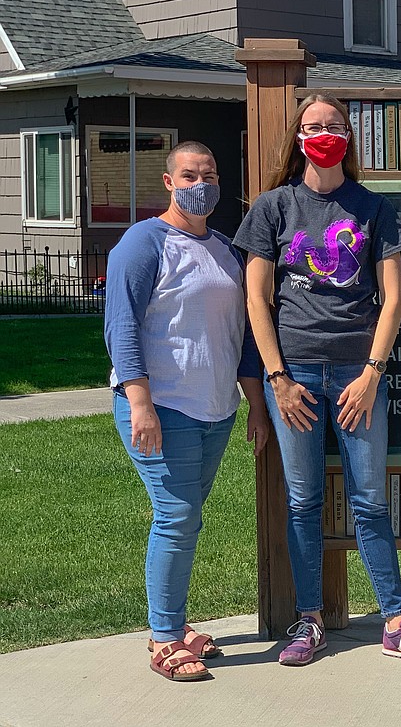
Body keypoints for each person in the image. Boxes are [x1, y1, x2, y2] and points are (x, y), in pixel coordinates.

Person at [233, 94, 401, 667]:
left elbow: (394, 298)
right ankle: (308, 621)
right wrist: (276, 379)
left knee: (370, 500)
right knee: (302, 500)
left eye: (332, 125)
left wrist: (373, 375)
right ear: (298, 138)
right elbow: (256, 297)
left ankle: (396, 621)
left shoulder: (375, 209)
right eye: (312, 126)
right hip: (294, 374)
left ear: (348, 136)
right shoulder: (273, 208)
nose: (323, 133)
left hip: (358, 372)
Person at [105, 141, 268, 682]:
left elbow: (242, 336)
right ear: (168, 181)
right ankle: (165, 638)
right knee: (176, 519)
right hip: (163, 407)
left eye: (210, 173)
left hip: (215, 409)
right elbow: (122, 327)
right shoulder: (142, 244)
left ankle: (173, 622)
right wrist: (140, 402)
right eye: (190, 174)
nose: (202, 182)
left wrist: (254, 405)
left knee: (186, 521)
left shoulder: (224, 247)